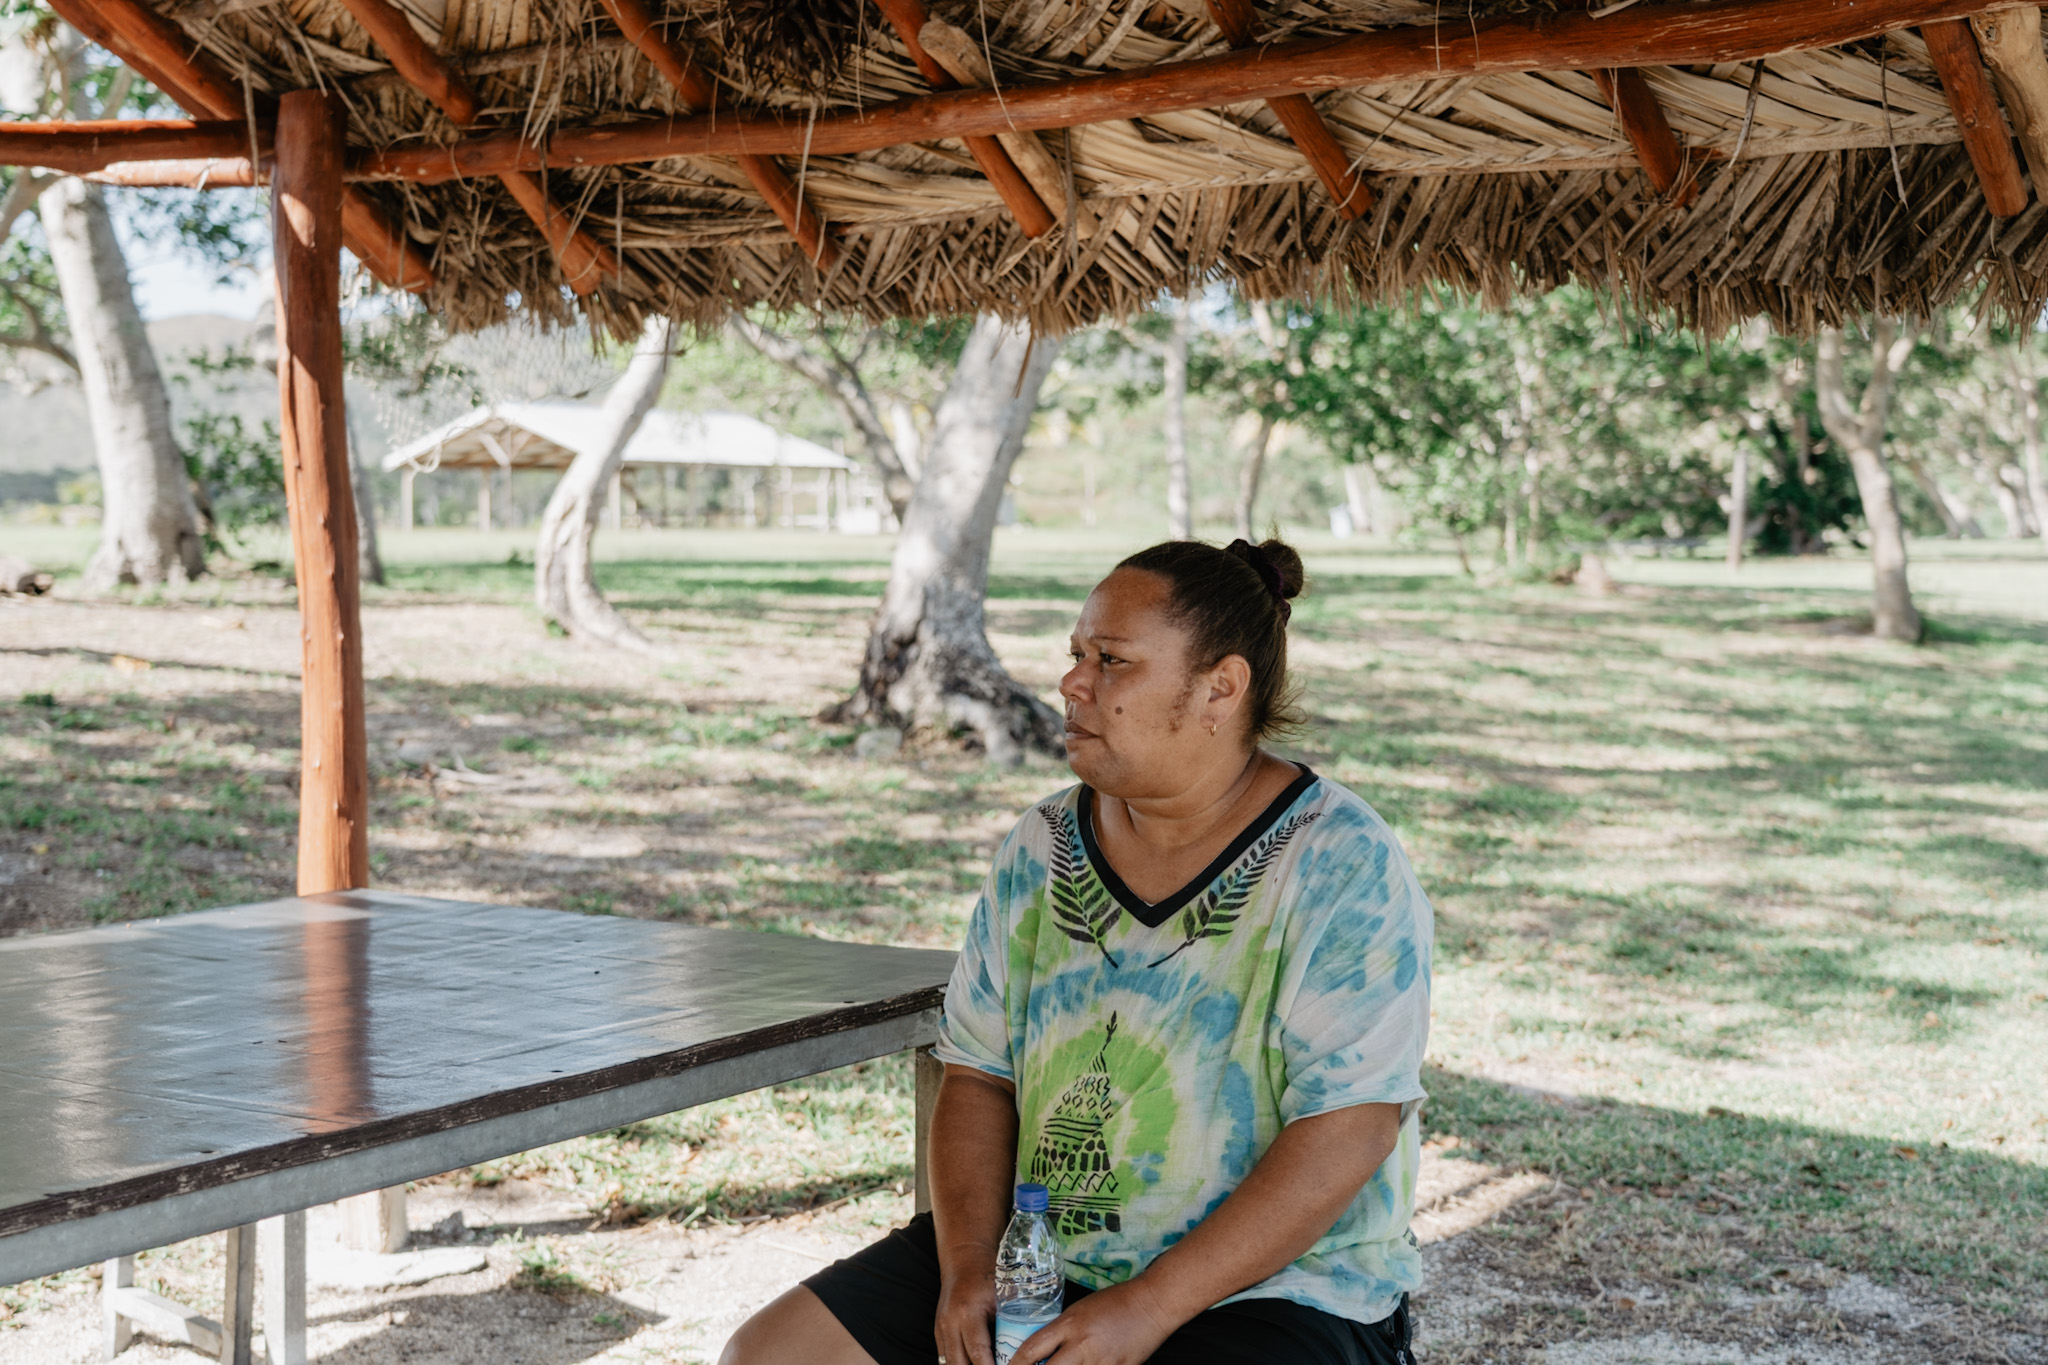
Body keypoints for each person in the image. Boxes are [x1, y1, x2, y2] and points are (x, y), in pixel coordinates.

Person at [723, 538, 1433, 1365]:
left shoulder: (1341, 860)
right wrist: (967, 1271)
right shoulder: (1043, 844)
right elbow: (980, 1073)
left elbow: (1350, 1128)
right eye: (1075, 655)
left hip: (1276, 1286)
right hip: (1040, 1261)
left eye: (1112, 660)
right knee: (770, 1354)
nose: (1072, 682)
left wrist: (1149, 1305)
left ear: (1221, 688)